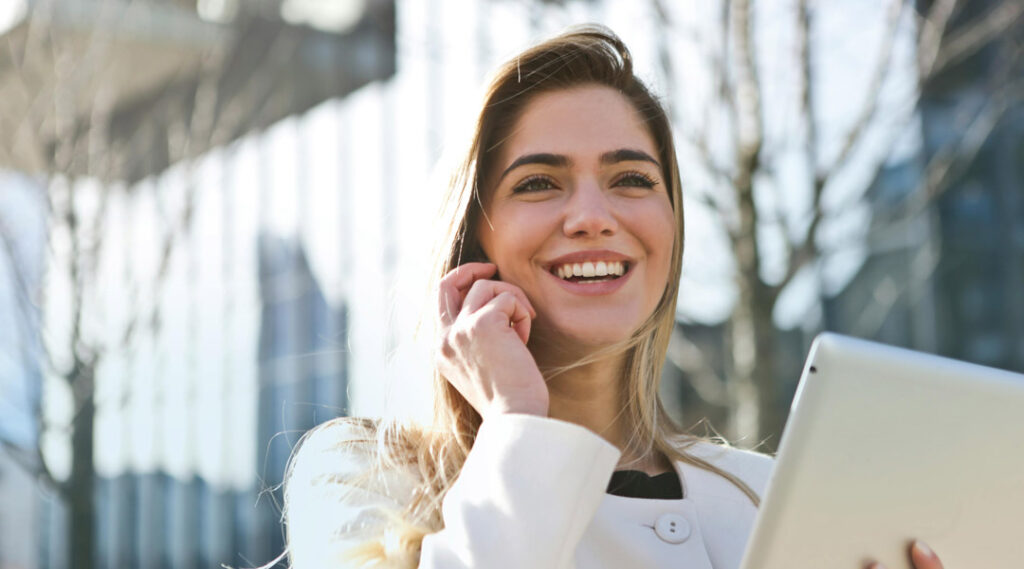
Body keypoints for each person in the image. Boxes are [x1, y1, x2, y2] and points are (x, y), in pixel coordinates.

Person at [283, 25, 945, 569]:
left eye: (631, 177)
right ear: (473, 237)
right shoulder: (359, 478)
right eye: (539, 182)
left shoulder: (764, 492)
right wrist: (519, 422)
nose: (594, 216)